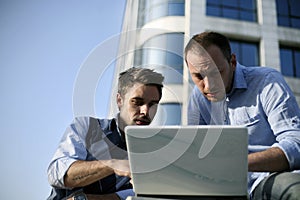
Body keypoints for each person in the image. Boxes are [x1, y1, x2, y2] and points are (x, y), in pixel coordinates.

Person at [184, 31, 300, 199]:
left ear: (232, 62)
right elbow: (197, 152)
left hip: (268, 178)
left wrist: (239, 164)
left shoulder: (267, 82)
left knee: (295, 190)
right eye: (198, 76)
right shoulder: (197, 98)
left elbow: (296, 145)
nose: (208, 86)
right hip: (220, 189)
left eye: (216, 73)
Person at [47, 67, 164, 200]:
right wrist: (112, 164)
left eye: (153, 104)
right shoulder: (87, 128)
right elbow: (57, 175)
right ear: (119, 100)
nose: (145, 111)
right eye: (137, 102)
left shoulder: (156, 152)